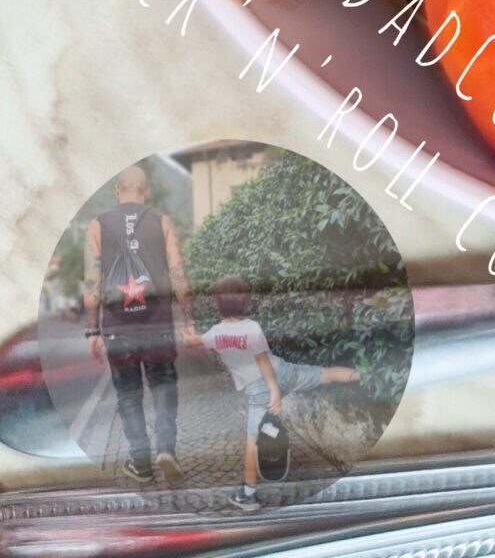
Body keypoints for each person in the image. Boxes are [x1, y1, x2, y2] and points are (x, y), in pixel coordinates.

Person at [198, 277, 359, 506]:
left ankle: (248, 495)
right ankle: (366, 377)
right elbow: (264, 358)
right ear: (245, 303)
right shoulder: (252, 327)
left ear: (217, 304)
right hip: (284, 371)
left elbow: (255, 360)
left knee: (252, 442)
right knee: (326, 374)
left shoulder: (215, 333)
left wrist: (274, 392)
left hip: (261, 390)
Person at [81, 166, 194, 487]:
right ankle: (167, 449)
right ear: (147, 193)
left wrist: (92, 331)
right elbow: (179, 275)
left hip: (118, 329)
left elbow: (92, 283)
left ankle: (141, 463)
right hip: (157, 325)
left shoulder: (97, 226)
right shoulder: (162, 221)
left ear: (118, 190)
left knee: (129, 395)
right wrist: (189, 319)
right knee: (164, 385)